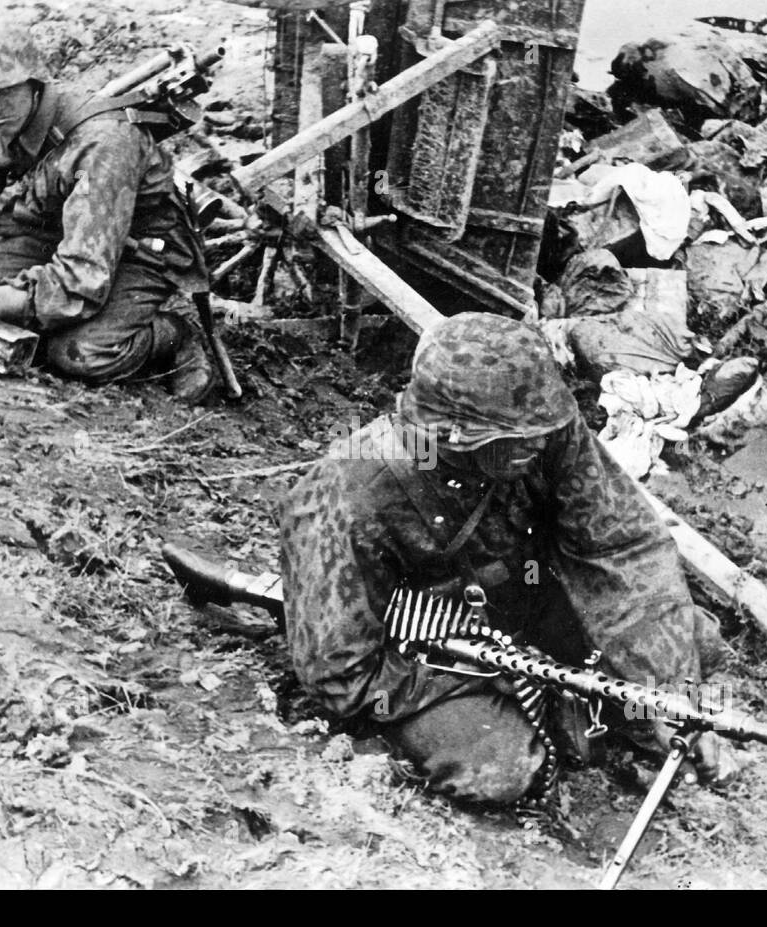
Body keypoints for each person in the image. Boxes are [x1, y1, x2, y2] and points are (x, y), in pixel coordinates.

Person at [280, 312, 735, 805]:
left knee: (694, 643)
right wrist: (488, 676)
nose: (541, 444)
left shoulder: (540, 432)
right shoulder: (350, 492)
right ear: (452, 436)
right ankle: (560, 718)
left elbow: (619, 547)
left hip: (524, 603)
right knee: (501, 770)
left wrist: (667, 694)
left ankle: (590, 711)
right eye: (518, 439)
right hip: (419, 655)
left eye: (543, 430)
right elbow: (340, 678)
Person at [0, 16, 214, 397]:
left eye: (7, 90)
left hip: (141, 252)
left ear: (34, 84)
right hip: (55, 233)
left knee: (81, 354)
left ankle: (173, 336)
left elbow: (83, 277)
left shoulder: (103, 141)